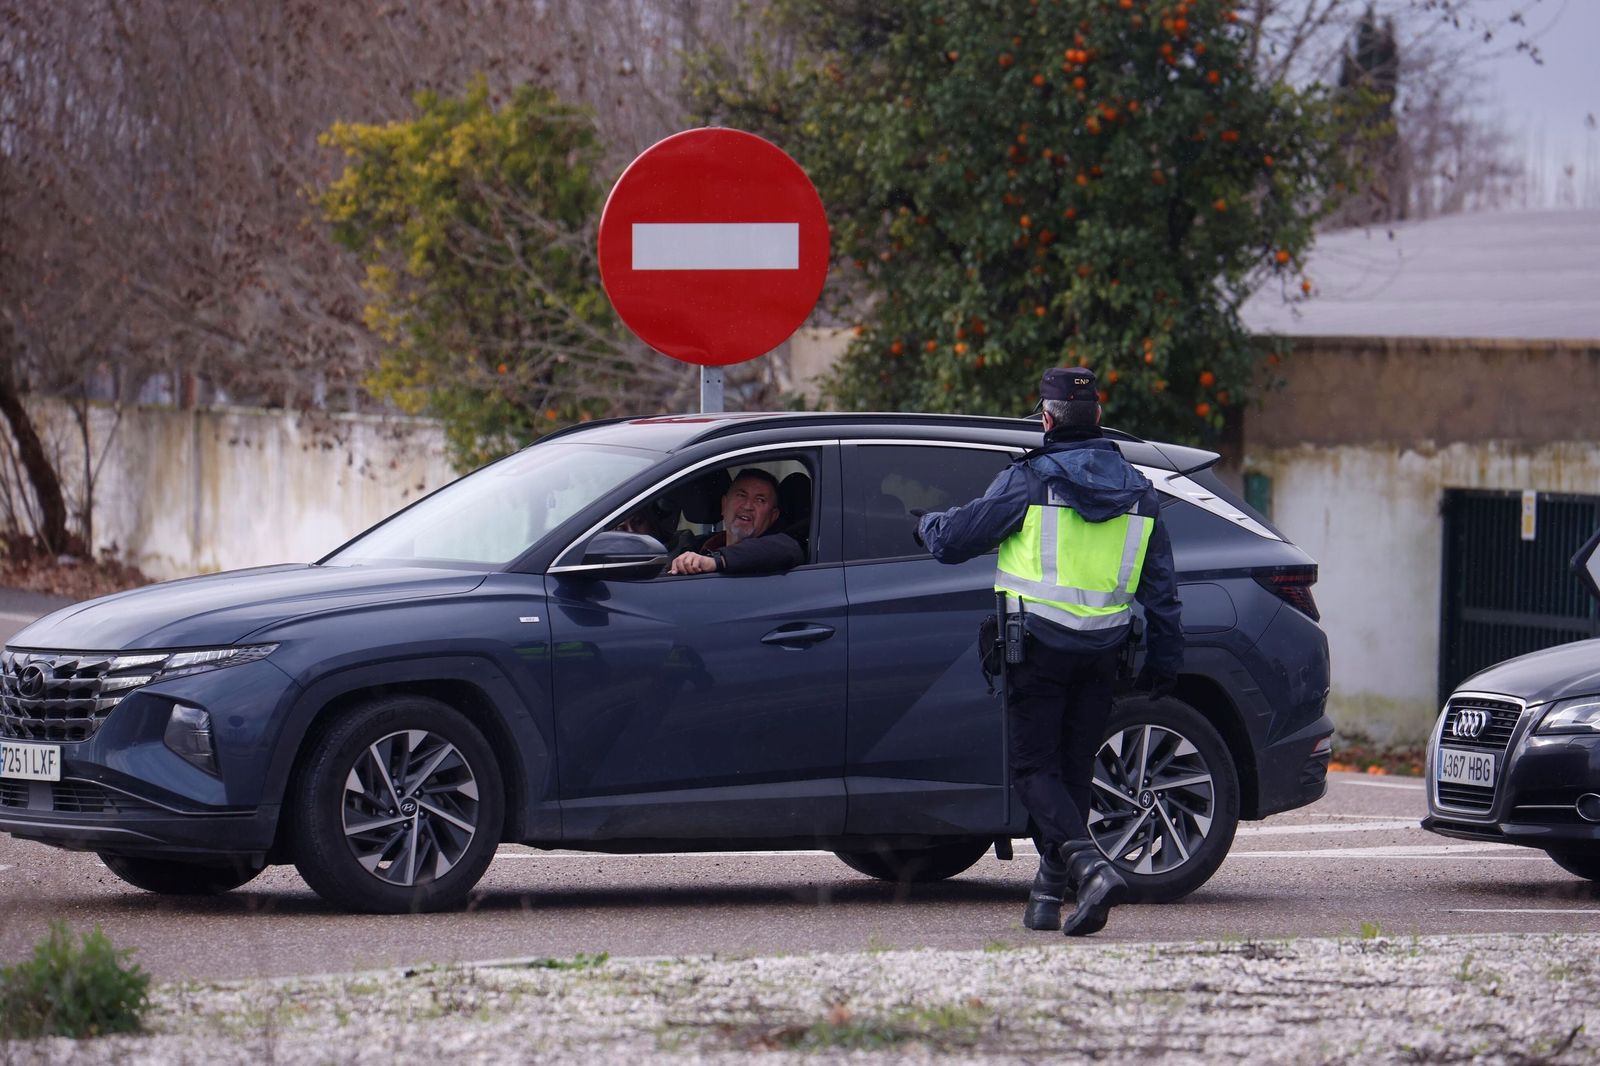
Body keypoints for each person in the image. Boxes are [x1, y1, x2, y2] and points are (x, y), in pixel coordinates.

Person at [915, 367, 1183, 937]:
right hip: (1103, 651)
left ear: (1046, 418)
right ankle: (1045, 896)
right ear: (1099, 419)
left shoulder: (1030, 481)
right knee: (1071, 770)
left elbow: (954, 541)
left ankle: (1089, 867)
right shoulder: (1140, 491)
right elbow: (1161, 587)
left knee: (1034, 768)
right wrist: (1166, 656)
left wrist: (928, 525)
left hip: (1038, 648)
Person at [668, 468, 804, 576]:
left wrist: (715, 561)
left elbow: (788, 549)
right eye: (741, 495)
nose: (747, 506)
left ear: (773, 516)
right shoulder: (695, 545)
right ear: (724, 505)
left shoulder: (779, 551)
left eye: (760, 500)